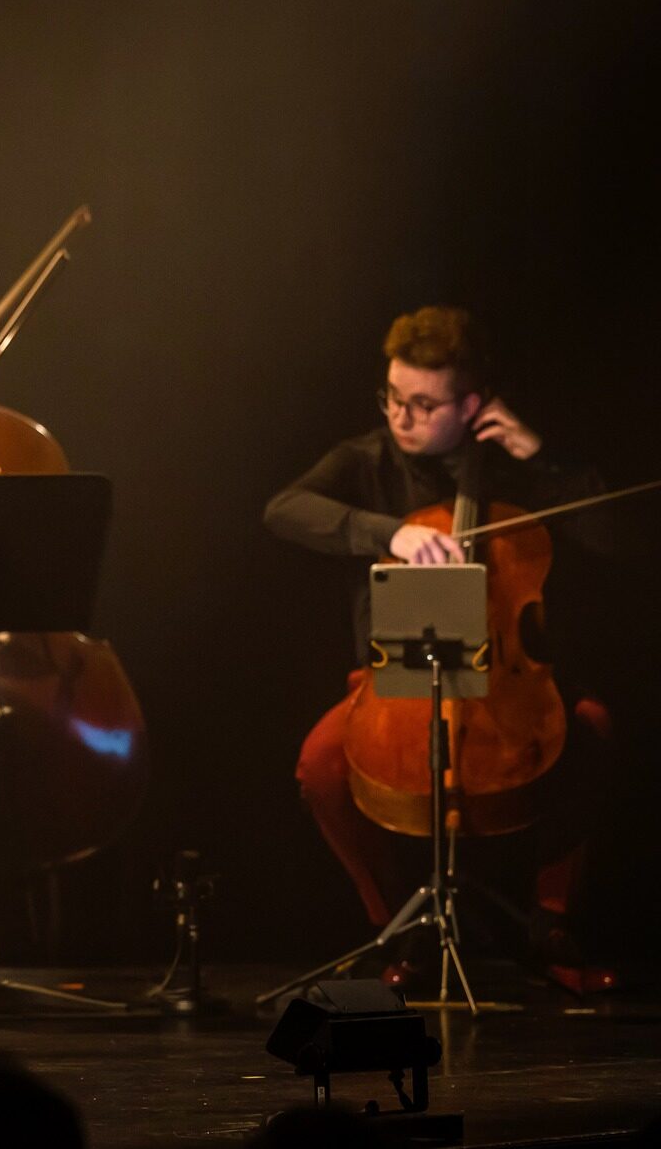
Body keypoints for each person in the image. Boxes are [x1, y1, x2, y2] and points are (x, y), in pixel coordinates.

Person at [264, 305, 617, 993]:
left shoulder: (515, 467)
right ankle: (398, 928)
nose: (403, 417)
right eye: (393, 397)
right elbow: (282, 508)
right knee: (321, 766)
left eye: (424, 405)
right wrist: (384, 533)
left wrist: (541, 457)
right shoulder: (366, 460)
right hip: (391, 681)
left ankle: (550, 924)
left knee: (594, 732)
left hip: (507, 680)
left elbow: (611, 534)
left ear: (473, 404)